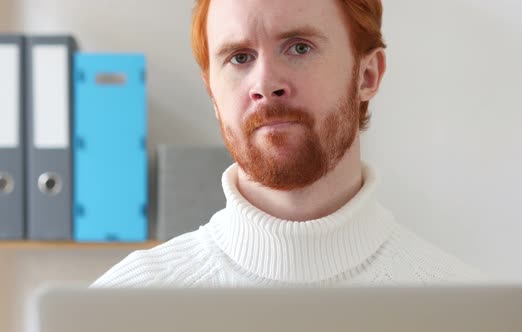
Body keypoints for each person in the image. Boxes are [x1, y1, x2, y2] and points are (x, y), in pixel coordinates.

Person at [92, 0, 485, 287]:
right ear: (213, 93)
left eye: (299, 47)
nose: (265, 84)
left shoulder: (468, 310)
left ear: (367, 75)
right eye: (240, 57)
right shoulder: (124, 304)